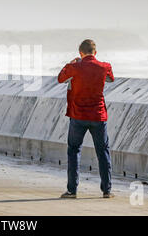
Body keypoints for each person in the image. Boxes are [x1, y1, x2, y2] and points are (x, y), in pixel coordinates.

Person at [57, 39, 114, 199]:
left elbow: (61, 78)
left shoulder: (74, 67)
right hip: (98, 115)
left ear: (80, 53)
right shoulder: (104, 66)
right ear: (95, 52)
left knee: (74, 151)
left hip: (78, 115)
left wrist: (70, 64)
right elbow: (111, 78)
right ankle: (106, 190)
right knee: (103, 152)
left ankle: (72, 190)